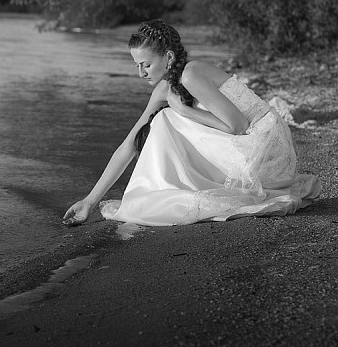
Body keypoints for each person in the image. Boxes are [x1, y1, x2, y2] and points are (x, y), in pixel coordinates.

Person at [63, 20, 320, 227]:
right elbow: (129, 145)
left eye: (146, 65)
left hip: (267, 151)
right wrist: (89, 202)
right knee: (159, 120)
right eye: (137, 66)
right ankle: (172, 185)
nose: (141, 73)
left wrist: (183, 110)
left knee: (166, 118)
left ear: (169, 57)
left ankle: (175, 185)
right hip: (253, 150)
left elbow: (238, 126)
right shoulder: (165, 89)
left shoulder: (191, 74)